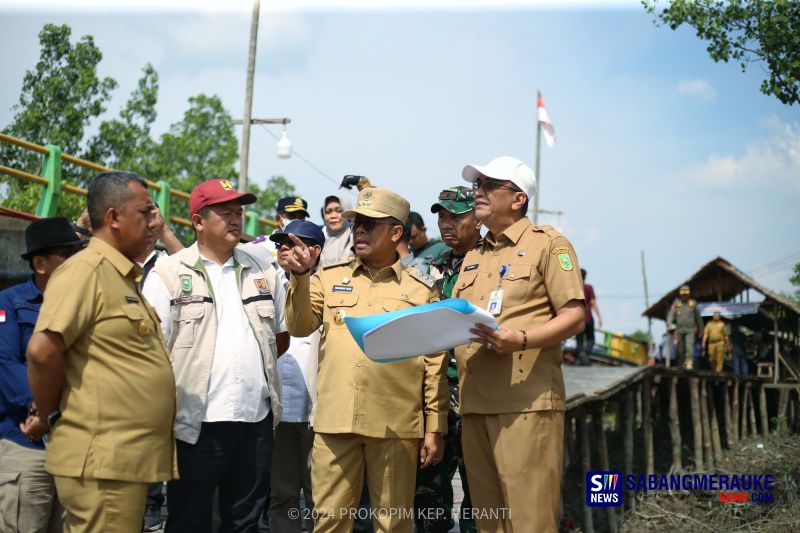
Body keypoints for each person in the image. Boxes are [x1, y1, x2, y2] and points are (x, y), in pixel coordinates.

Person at [282, 187, 448, 532]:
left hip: (395, 424)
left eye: (370, 224)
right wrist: (299, 278)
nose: (359, 230)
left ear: (396, 232)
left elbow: (434, 364)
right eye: (356, 223)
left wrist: (435, 427)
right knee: (329, 522)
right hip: (335, 422)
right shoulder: (327, 276)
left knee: (393, 523)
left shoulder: (422, 289)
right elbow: (299, 327)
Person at [22, 171, 178, 532]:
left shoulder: (119, 274)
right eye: (144, 213)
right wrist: (48, 416)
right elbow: (43, 351)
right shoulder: (86, 270)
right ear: (113, 218)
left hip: (120, 461)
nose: (153, 223)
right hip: (102, 460)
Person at [142, 178, 288, 533]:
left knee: (246, 523)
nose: (236, 219)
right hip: (195, 426)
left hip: (255, 423)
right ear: (198, 222)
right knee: (189, 520)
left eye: (238, 212)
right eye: (225, 213)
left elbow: (279, 339)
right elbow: (149, 352)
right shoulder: (168, 274)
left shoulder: (264, 271)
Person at [454, 156, 585, 532]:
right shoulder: (474, 255)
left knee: (529, 522)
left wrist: (522, 339)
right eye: (477, 183)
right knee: (489, 524)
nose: (478, 190)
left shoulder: (549, 245)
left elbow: (575, 316)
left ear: (517, 199)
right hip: (475, 404)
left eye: (490, 184)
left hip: (524, 406)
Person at [0, 217, 84, 532]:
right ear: (40, 263)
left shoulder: (86, 304)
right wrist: (42, 406)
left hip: (73, 447)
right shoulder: (9, 303)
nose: (78, 261)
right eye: (69, 253)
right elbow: (5, 363)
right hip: (26, 446)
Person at [413, 186, 482, 533]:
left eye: (456, 215)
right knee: (427, 501)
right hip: (437, 400)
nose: (446, 223)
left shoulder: (493, 265)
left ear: (478, 218)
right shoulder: (429, 270)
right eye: (441, 215)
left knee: (481, 501)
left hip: (480, 398)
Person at [267, 220, 325, 533]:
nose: (285, 251)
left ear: (315, 251)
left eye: (294, 244)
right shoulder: (266, 283)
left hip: (319, 414)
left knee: (321, 497)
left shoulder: (330, 287)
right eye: (281, 244)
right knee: (282, 496)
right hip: (279, 412)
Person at [666, 285, 703, 369]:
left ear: (689, 294)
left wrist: (701, 329)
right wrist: (669, 323)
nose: (684, 296)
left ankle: (689, 362)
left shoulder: (693, 304)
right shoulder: (676, 303)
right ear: (680, 294)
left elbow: (698, 317)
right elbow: (671, 314)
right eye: (683, 294)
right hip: (679, 330)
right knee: (680, 349)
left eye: (686, 294)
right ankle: (681, 363)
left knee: (689, 347)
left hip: (690, 330)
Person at [575, 268, 602, 366]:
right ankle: (585, 355)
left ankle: (581, 355)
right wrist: (599, 317)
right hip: (588, 317)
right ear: (585, 277)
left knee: (579, 339)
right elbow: (593, 302)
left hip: (577, 317)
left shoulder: (574, 287)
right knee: (591, 339)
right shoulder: (589, 287)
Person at [320, 193, 354, 263]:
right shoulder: (318, 241)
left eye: (339, 211)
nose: (333, 216)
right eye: (328, 212)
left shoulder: (355, 238)